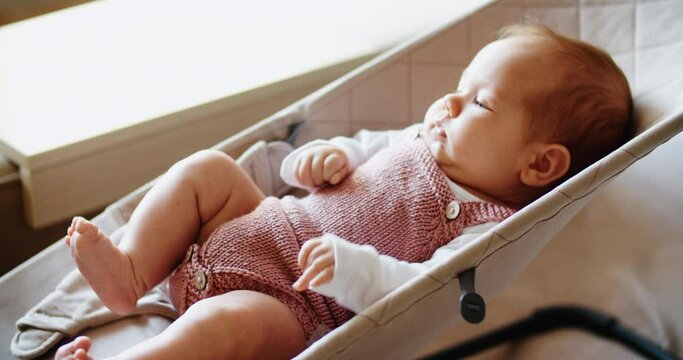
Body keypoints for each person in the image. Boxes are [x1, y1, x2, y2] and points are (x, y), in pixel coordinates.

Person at [56, 22, 632, 360]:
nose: (447, 105)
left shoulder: (483, 226)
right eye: (456, 89)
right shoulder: (421, 138)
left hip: (290, 302)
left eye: (478, 102)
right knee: (208, 170)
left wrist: (351, 268)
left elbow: (419, 289)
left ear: (540, 165)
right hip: (256, 223)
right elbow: (363, 149)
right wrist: (327, 160)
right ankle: (132, 272)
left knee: (228, 329)